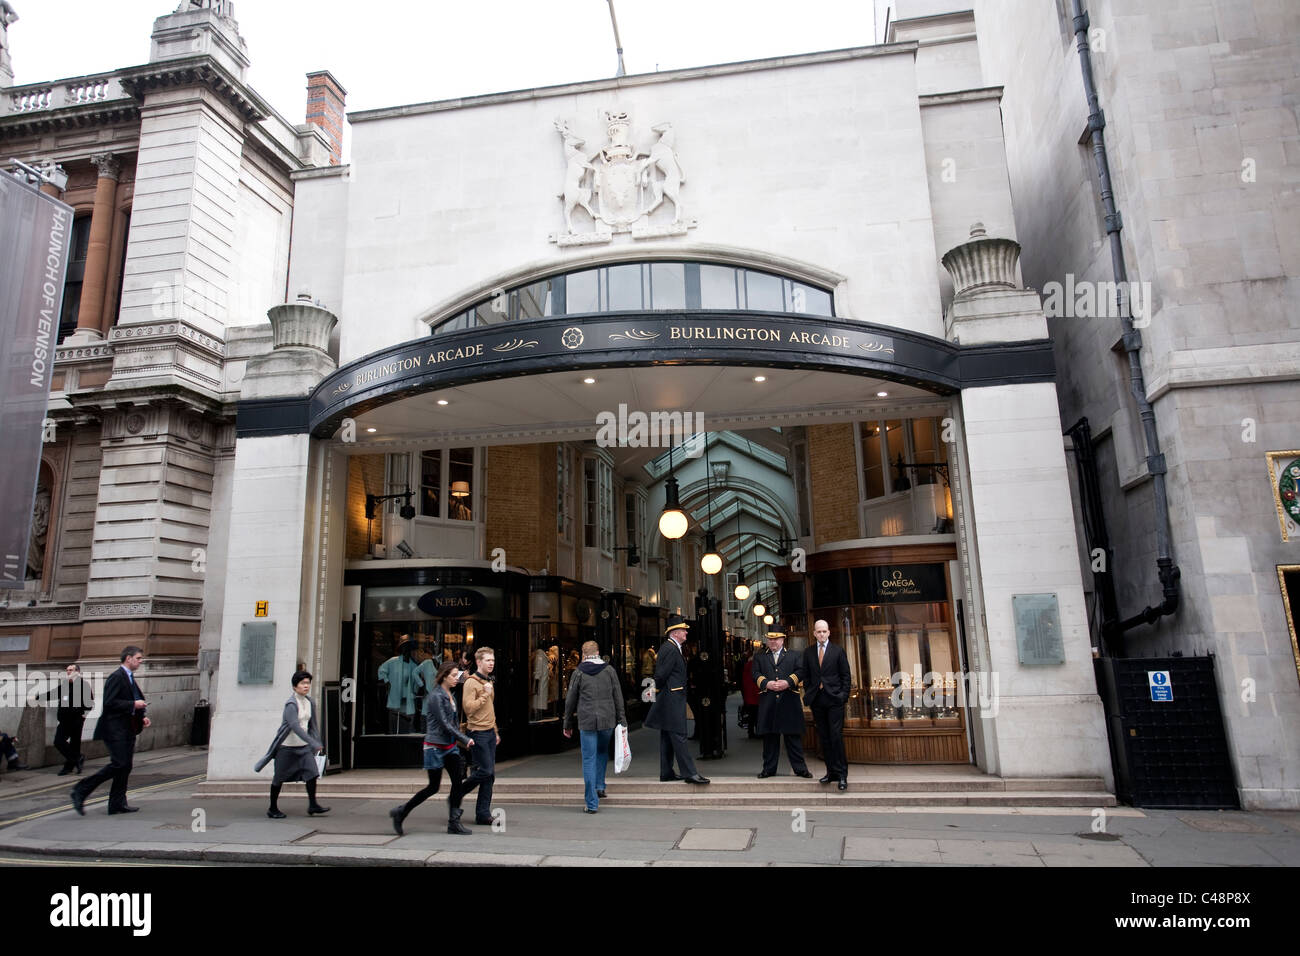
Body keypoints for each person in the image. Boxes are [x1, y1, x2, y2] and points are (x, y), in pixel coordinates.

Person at [389, 659, 475, 836]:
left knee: (458, 781)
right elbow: (445, 724)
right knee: (433, 787)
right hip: (435, 747)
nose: (455, 678)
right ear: (443, 676)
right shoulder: (436, 696)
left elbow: (452, 722)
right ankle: (401, 812)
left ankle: (454, 822)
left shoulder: (450, 694)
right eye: (453, 676)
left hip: (449, 746)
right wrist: (464, 739)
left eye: (456, 675)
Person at [70, 646, 150, 815]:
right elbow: (109, 702)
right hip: (114, 729)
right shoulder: (117, 677)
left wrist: (140, 715)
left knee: (125, 766)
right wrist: (133, 705)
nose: (140, 661)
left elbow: (131, 699)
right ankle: (81, 789)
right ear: (128, 658)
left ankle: (117, 803)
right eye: (138, 658)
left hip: (128, 728)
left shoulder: (129, 678)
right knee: (119, 764)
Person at [643, 614, 709, 785]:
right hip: (671, 698)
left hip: (670, 697)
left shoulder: (672, 647)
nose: (686, 633)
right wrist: (654, 692)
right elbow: (661, 674)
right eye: (683, 630)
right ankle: (690, 773)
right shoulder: (670, 649)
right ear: (674, 633)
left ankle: (666, 772)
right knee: (679, 735)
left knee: (667, 735)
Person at [254, 670, 330, 818]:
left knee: (312, 773)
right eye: (303, 683)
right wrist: (312, 742)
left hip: (303, 748)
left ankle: (313, 805)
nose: (306, 686)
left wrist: (317, 742)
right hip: (287, 747)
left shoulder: (310, 702)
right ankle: (272, 808)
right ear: (295, 686)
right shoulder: (291, 704)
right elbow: (295, 726)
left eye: (308, 683)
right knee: (279, 778)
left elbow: (312, 725)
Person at [563, 640, 627, 813]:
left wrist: (567, 723)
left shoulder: (578, 673)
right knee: (602, 752)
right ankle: (600, 785)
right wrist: (622, 720)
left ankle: (592, 803)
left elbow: (570, 700)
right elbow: (618, 696)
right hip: (607, 720)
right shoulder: (609, 670)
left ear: (584, 654)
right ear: (598, 652)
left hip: (587, 720)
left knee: (588, 759)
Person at [754, 631, 812, 779]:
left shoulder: (794, 655)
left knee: (793, 738)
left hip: (789, 701)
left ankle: (800, 769)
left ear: (783, 640)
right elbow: (755, 673)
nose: (773, 642)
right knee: (770, 738)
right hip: (769, 701)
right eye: (770, 639)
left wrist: (788, 682)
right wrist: (767, 683)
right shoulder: (760, 656)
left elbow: (801, 671)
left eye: (776, 639)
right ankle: (768, 769)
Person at [803, 618, 852, 791]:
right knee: (824, 737)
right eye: (819, 631)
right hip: (818, 700)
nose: (822, 634)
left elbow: (846, 676)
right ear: (814, 633)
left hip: (834, 700)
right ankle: (830, 772)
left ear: (829, 632)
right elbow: (807, 676)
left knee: (836, 737)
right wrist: (811, 693)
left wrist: (843, 696)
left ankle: (842, 775)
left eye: (824, 631)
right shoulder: (808, 652)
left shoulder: (838, 651)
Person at [460, 646, 499, 826]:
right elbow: (468, 708)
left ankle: (483, 814)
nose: (491, 663)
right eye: (487, 660)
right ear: (478, 662)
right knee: (485, 771)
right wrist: (485, 693)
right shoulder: (471, 683)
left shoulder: (488, 681)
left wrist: (496, 731)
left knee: (489, 775)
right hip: (478, 732)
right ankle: (458, 792)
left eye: (492, 660)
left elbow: (489, 709)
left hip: (489, 732)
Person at [52, 663, 93, 775]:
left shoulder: (83, 685)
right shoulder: (65, 685)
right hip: (64, 720)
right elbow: (53, 693)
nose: (68, 672)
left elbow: (89, 703)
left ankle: (69, 767)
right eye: (67, 670)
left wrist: (83, 716)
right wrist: (36, 697)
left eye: (71, 670)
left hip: (76, 720)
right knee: (58, 742)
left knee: (75, 744)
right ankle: (77, 758)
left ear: (77, 672)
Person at [741, 649, 760, 739]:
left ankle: (751, 732)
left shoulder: (748, 664)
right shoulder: (759, 665)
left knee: (751, 714)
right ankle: (758, 731)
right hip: (757, 693)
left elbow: (744, 679)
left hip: (749, 693)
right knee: (758, 714)